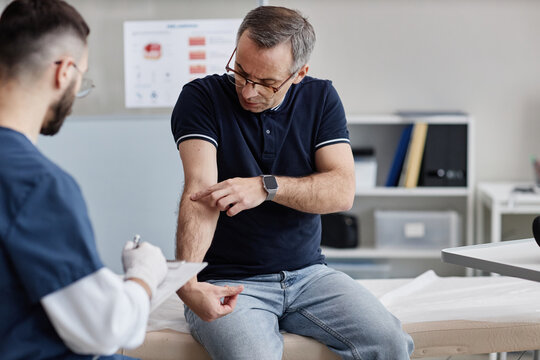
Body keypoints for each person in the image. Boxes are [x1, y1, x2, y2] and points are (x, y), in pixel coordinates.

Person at [171, 5, 414, 360]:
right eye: (240, 71)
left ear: (299, 73)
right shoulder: (202, 98)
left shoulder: (320, 98)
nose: (249, 91)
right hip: (228, 281)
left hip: (310, 276)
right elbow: (200, 191)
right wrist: (188, 285)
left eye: (267, 83)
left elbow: (341, 191)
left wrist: (265, 187)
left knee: (390, 343)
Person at [0, 1, 169, 359]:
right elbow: (104, 330)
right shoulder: (36, 184)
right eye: (83, 78)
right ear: (63, 71)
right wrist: (144, 274)